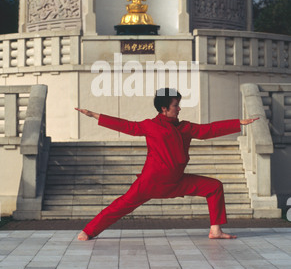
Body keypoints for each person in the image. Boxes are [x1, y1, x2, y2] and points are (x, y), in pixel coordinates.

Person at [75, 88, 258, 241]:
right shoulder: (150, 126)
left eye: (178, 105)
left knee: (214, 187)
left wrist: (237, 123)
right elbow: (126, 125)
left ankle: (215, 230)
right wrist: (93, 115)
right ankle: (88, 232)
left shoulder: (185, 127)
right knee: (120, 206)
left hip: (176, 182)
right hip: (150, 182)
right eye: (175, 105)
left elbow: (208, 130)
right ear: (164, 108)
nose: (179, 109)